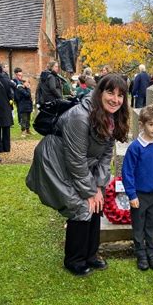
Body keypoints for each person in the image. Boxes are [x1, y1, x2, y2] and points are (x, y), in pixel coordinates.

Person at [26, 74, 130, 276]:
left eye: (120, 95)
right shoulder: (80, 118)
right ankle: (74, 259)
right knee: (81, 206)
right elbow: (76, 160)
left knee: (97, 204)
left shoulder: (113, 118)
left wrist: (99, 187)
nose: (115, 99)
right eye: (110, 92)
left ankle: (90, 255)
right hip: (55, 161)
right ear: (100, 92)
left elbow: (106, 155)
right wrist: (90, 192)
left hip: (80, 163)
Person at [122, 103, 153, 271]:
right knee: (139, 225)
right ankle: (140, 253)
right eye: (151, 124)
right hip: (139, 194)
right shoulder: (135, 147)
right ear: (142, 124)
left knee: (152, 225)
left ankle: (151, 252)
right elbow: (128, 172)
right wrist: (132, 195)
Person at [0, 63, 14, 153]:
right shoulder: (7, 79)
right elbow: (10, 94)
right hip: (6, 106)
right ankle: (6, 147)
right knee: (6, 128)